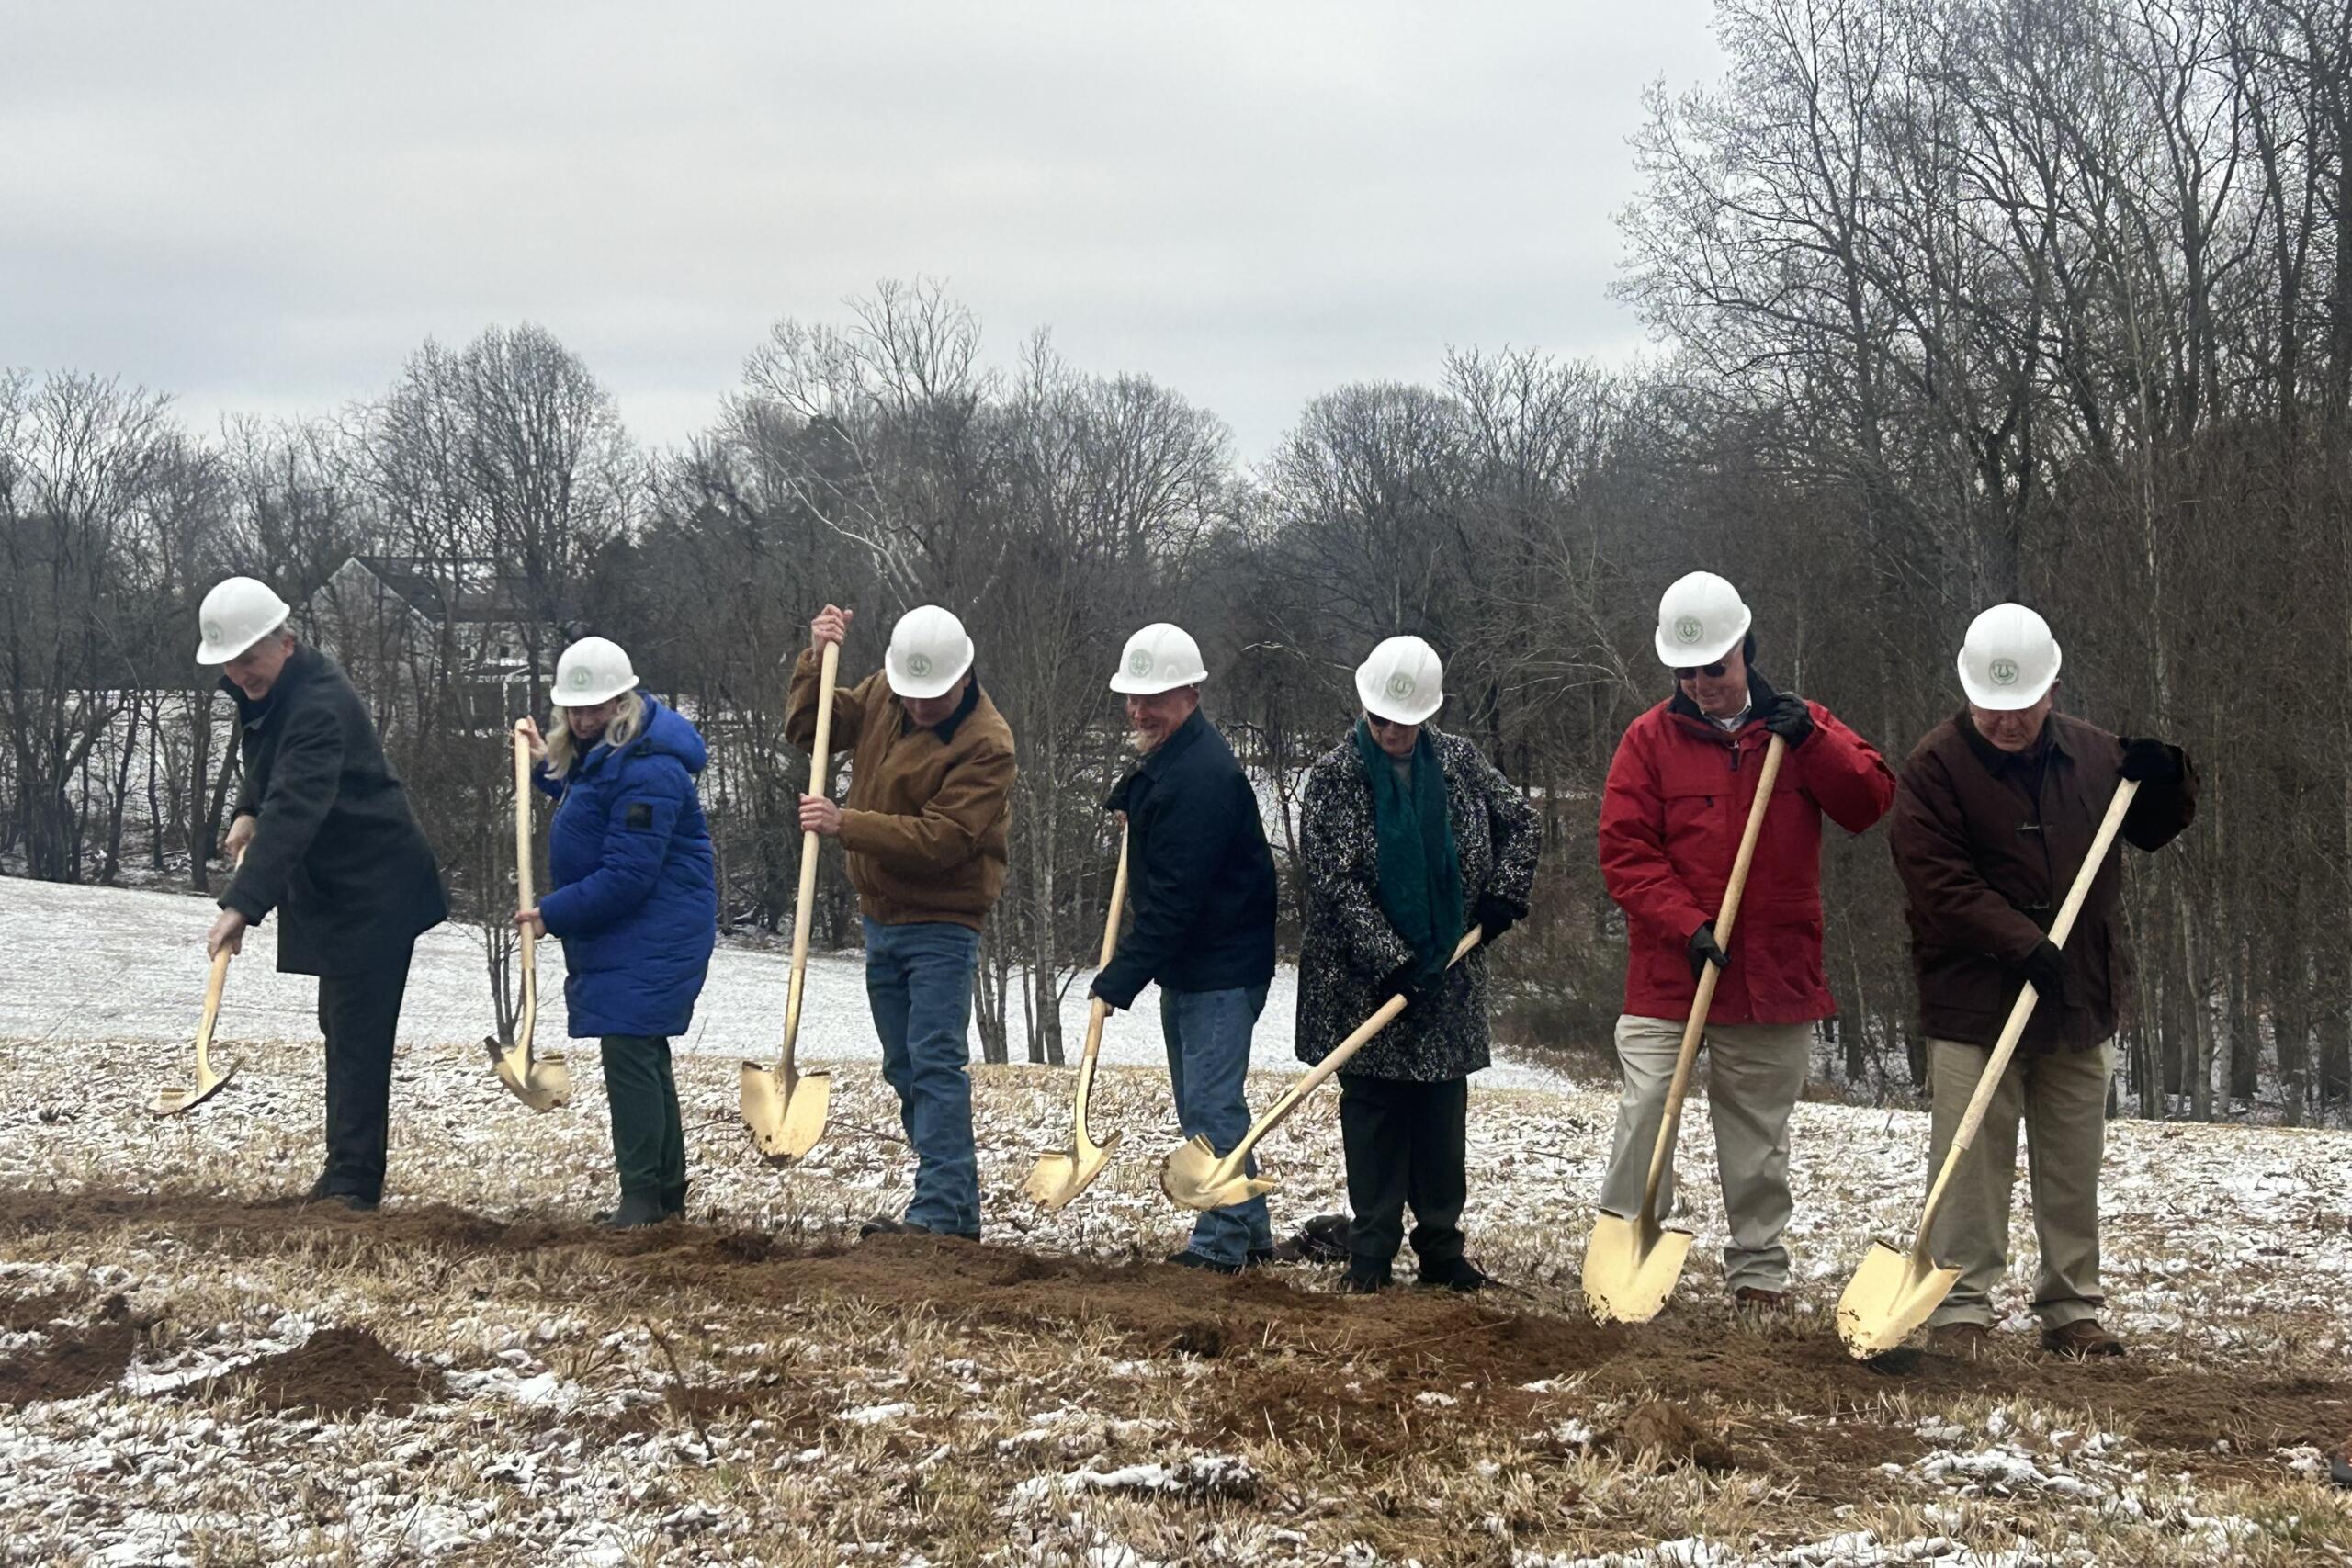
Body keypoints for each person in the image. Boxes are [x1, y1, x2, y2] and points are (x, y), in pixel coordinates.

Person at [1889, 603, 2196, 1359]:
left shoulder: (2098, 757)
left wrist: (2171, 775)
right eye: (1991, 708)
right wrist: (2019, 942)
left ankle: (2071, 1308)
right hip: (1973, 1004)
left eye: (2021, 706)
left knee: (2071, 1162)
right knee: (1971, 1162)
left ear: (2051, 688)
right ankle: (1960, 1305)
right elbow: (1937, 881)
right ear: (1969, 693)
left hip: (2076, 998)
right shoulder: (1933, 769)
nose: (2006, 722)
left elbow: (2156, 825)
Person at [1597, 570, 1895, 1307]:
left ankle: (1758, 1268)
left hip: (1773, 971)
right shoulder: (1647, 741)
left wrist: (1813, 742)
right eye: (1687, 671)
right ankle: (1628, 1239)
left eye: (1716, 669)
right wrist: (1686, 925)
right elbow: (1624, 851)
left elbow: (1869, 799)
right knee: (1645, 1112)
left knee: (1758, 1131)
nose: (1703, 684)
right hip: (1671, 972)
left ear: (1745, 652)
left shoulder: (1801, 728)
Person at [1295, 636, 1541, 1293]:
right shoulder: (1333, 777)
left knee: (1439, 1114)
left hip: (1448, 977)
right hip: (1362, 982)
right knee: (1373, 1114)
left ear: (1428, 714)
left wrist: (1503, 894)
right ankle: (1370, 1250)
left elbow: (1522, 821)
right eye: (1379, 720)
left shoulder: (1461, 763)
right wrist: (1392, 959)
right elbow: (1335, 882)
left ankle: (1441, 1249)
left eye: (1404, 722)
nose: (1391, 732)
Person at [196, 576, 448, 1213]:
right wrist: (248, 807)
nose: (238, 671)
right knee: (339, 1022)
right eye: (229, 661)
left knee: (358, 1030)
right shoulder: (278, 690)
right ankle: (344, 1168)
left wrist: (240, 905)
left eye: (248, 659)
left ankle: (353, 1183)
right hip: (343, 888)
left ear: (285, 641)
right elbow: (271, 772)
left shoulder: (317, 705)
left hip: (376, 887)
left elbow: (296, 807)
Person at [786, 602, 1015, 1241]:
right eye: (910, 696)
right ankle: (952, 1207)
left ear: (962, 679)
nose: (916, 708)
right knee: (904, 1067)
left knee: (935, 1062)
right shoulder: (891, 689)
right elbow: (814, 731)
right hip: (881, 916)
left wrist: (845, 823)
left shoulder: (987, 744)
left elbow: (944, 839)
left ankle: (940, 1209)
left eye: (930, 699)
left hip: (943, 921)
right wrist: (816, 660)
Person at [1090, 623, 1280, 1274]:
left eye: (1155, 698)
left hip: (1221, 965)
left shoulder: (1200, 776)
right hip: (1201, 963)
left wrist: (1119, 978)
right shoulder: (1175, 753)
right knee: (1208, 1101)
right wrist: (1131, 808)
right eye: (1132, 697)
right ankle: (1250, 1231)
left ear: (1190, 693)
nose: (1140, 710)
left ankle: (1219, 1243)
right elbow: (1151, 792)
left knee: (1208, 1104)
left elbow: (1175, 905)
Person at [514, 637, 717, 1229]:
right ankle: (662, 1195)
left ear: (623, 702)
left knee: (630, 1052)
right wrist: (543, 769)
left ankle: (642, 1198)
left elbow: (628, 875)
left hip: (655, 931)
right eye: (572, 711)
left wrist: (554, 912)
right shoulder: (609, 755)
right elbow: (592, 797)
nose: (581, 720)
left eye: (594, 709)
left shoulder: (651, 768)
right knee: (641, 1054)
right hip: (631, 933)